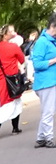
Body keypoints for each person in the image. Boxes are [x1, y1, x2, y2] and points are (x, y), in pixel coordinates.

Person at [31, 14, 56, 147]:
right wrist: (54, 60)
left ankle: (41, 138)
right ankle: (49, 138)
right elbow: (37, 64)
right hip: (46, 83)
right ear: (53, 26)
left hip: (50, 81)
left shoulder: (50, 41)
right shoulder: (42, 42)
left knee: (47, 110)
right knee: (49, 111)